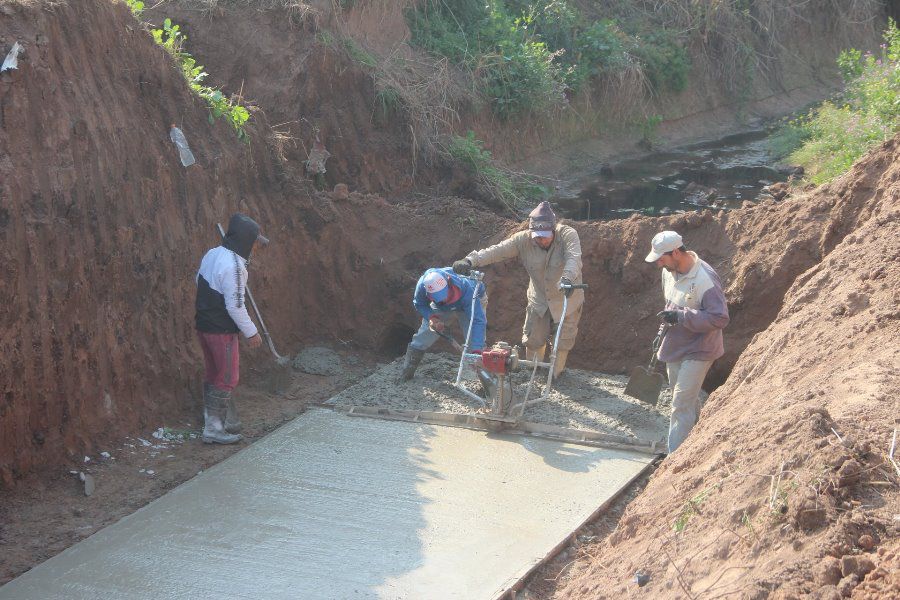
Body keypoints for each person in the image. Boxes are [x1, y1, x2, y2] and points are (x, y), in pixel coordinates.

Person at [452, 201, 583, 378]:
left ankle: (555, 375)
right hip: (539, 300)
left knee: (563, 341)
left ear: (553, 229)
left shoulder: (567, 234)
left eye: (545, 235)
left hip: (567, 297)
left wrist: (567, 277)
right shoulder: (523, 240)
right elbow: (497, 251)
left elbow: (574, 258)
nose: (541, 239)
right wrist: (470, 261)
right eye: (537, 236)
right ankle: (533, 374)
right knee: (534, 339)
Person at [645, 230, 729, 453]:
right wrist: (664, 328)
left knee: (680, 405)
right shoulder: (668, 271)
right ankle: (702, 433)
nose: (658, 264)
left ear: (675, 252)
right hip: (675, 345)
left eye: (661, 258)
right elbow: (671, 305)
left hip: (700, 349)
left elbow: (720, 317)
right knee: (684, 399)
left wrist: (683, 317)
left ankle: (674, 461)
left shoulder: (705, 279)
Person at [194, 213, 268, 444]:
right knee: (227, 377)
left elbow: (198, 280)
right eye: (255, 243)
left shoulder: (213, 254)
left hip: (203, 325)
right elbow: (235, 306)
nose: (256, 248)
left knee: (213, 373)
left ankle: (213, 419)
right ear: (246, 241)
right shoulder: (235, 267)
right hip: (221, 331)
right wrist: (251, 332)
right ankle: (214, 429)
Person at [399, 267, 493, 394]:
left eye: (445, 295)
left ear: (449, 282)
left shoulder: (467, 288)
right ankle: (406, 375)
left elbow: (477, 321)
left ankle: (490, 388)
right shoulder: (423, 285)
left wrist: (476, 350)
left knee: (475, 346)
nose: (444, 299)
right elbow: (419, 303)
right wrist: (432, 318)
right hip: (441, 308)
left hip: (470, 302)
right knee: (423, 336)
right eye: (439, 298)